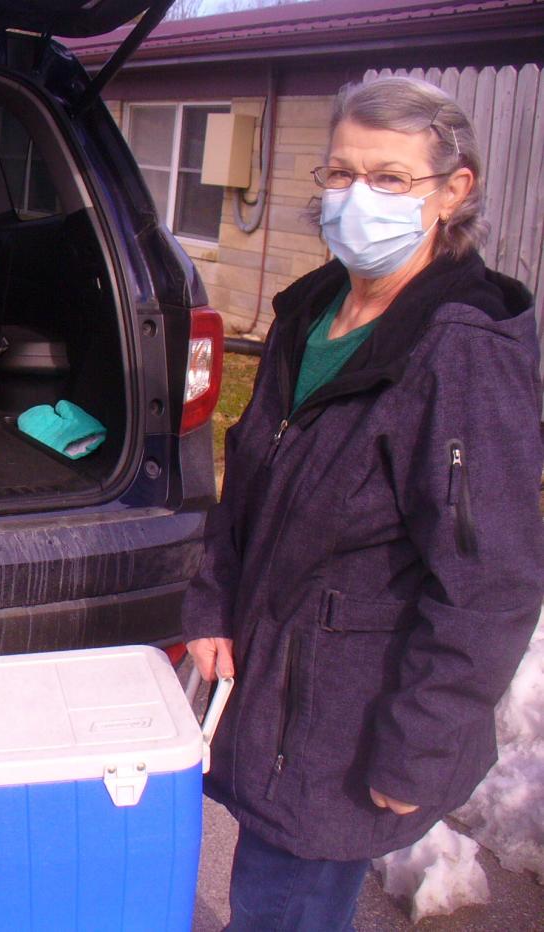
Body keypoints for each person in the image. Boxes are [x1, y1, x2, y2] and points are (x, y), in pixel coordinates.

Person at [184, 75, 543, 931]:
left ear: (454, 191)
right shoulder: (313, 310)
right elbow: (250, 477)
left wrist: (418, 748)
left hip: (351, 718)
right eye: (340, 174)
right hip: (276, 684)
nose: (355, 199)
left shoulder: (461, 349)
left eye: (389, 179)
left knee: (287, 904)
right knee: (272, 888)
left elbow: (488, 583)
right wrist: (212, 600)